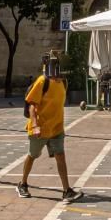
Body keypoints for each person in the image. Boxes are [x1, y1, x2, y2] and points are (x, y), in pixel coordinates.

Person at [18, 55, 80, 201]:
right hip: (40, 128)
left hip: (56, 128)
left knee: (60, 157)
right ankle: (23, 184)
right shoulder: (42, 81)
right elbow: (32, 105)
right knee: (32, 155)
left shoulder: (63, 82)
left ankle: (67, 190)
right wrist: (34, 125)